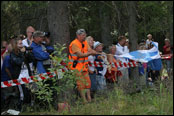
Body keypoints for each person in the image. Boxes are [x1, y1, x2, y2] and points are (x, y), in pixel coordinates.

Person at [68, 29, 97, 104]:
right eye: (83, 35)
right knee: (80, 85)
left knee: (87, 84)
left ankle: (89, 99)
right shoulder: (74, 44)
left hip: (84, 67)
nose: (84, 37)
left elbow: (90, 50)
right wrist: (90, 53)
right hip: (76, 68)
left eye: (85, 35)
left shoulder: (85, 42)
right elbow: (80, 54)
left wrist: (94, 52)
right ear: (78, 35)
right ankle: (84, 100)